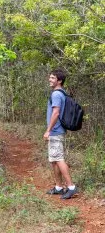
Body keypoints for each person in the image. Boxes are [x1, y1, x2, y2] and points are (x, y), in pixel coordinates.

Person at [43, 69, 78, 199]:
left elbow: (56, 113)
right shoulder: (61, 93)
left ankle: (71, 187)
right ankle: (58, 187)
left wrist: (48, 130)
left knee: (58, 158)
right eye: (50, 77)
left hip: (56, 131)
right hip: (56, 131)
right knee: (54, 160)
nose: (50, 80)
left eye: (52, 78)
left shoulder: (57, 94)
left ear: (59, 81)